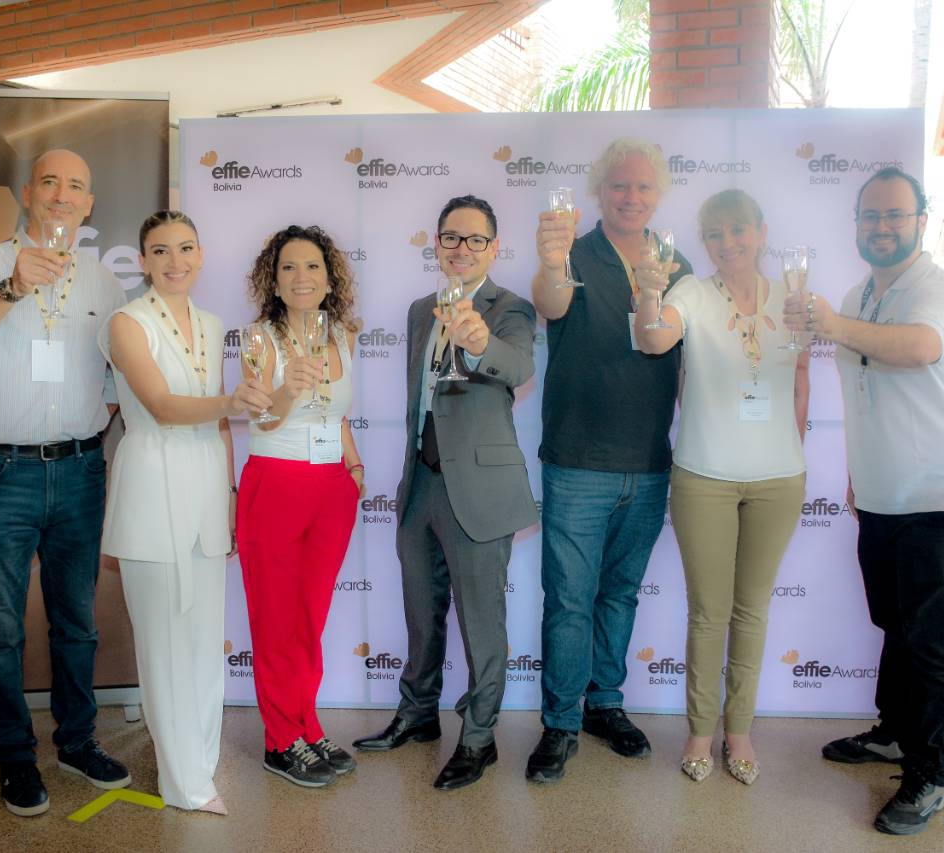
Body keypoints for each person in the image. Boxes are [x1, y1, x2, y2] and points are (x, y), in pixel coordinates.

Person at [782, 167, 944, 835]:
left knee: (929, 641)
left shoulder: (941, 291)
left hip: (941, 491)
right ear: (856, 223)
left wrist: (832, 322)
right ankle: (895, 733)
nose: (881, 226)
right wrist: (857, 472)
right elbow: (864, 392)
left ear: (921, 221)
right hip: (882, 492)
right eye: (870, 215)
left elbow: (921, 348)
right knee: (896, 625)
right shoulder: (860, 295)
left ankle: (929, 776)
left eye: (894, 214)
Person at [0, 149, 130, 816]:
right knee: (0, 630)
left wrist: (81, 428)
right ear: (27, 192)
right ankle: (14, 754)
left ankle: (76, 741)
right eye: (50, 181)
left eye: (76, 185)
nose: (62, 194)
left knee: (77, 623)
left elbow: (116, 376)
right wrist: (10, 289)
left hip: (79, 470)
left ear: (89, 203)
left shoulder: (104, 283)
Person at [352, 196, 537, 791]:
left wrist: (479, 341)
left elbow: (517, 368)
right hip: (421, 483)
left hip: (478, 489)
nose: (462, 249)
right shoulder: (418, 311)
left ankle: (479, 738)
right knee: (421, 613)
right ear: (437, 243)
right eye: (452, 237)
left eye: (476, 240)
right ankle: (417, 713)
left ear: (494, 248)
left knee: (482, 624)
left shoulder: (510, 309)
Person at [525, 138, 692, 783]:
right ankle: (560, 723)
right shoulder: (572, 251)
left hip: (650, 461)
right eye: (620, 185)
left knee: (619, 594)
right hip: (577, 460)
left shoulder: (675, 264)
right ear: (599, 191)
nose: (632, 196)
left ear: (659, 195)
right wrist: (551, 262)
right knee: (570, 600)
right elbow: (551, 302)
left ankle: (605, 705)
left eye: (644, 186)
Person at [634, 190, 809, 786]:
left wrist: (790, 449)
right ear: (704, 242)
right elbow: (654, 340)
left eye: (738, 229)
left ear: (761, 232)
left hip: (778, 480)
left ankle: (740, 732)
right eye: (715, 233)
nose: (728, 242)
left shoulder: (793, 297)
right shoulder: (691, 292)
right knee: (710, 613)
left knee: (751, 610)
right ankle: (699, 732)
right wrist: (650, 292)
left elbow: (801, 379)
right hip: (704, 476)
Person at [98, 211, 271, 814]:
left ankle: (202, 762)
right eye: (161, 250)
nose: (176, 261)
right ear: (143, 261)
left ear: (200, 254)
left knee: (200, 642)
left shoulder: (212, 322)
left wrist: (230, 494)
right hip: (152, 481)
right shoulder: (127, 322)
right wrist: (230, 401)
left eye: (186, 248)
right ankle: (183, 783)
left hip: (205, 488)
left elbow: (219, 423)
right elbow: (164, 407)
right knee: (164, 645)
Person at [238, 225, 364, 788]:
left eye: (313, 266)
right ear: (273, 280)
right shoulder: (258, 339)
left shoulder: (344, 335)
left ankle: (307, 726)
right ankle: (279, 740)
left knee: (309, 620)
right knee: (276, 621)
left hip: (331, 489)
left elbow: (338, 414)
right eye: (288, 267)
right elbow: (260, 419)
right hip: (275, 484)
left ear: (330, 278)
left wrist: (354, 470)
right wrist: (288, 388)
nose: (301, 276)